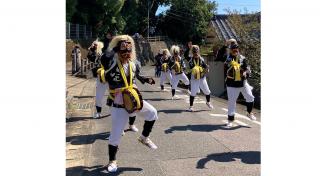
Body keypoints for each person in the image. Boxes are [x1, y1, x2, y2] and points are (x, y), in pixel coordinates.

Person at [99, 35, 158, 172]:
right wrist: (116, 46)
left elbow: (137, 75)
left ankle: (144, 138)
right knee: (115, 135)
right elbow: (104, 58)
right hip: (118, 103)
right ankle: (112, 161)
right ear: (118, 51)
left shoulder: (132, 64)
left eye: (129, 51)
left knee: (153, 113)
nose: (126, 54)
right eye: (123, 51)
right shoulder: (112, 62)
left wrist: (146, 80)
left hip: (133, 99)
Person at [224, 43, 256, 127]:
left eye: (236, 48)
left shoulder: (242, 58)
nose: (235, 50)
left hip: (243, 83)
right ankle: (230, 119)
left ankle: (249, 113)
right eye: (233, 49)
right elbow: (227, 71)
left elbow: (247, 69)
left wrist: (245, 73)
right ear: (230, 50)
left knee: (250, 97)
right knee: (232, 102)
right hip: (232, 84)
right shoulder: (228, 59)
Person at [188, 45, 213, 112]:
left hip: (202, 78)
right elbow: (193, 69)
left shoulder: (201, 59)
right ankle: (191, 106)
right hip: (194, 78)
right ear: (192, 53)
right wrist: (200, 69)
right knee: (193, 93)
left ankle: (208, 102)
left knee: (207, 91)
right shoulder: (191, 60)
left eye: (197, 52)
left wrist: (207, 68)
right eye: (194, 52)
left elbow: (205, 67)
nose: (196, 53)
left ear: (198, 51)